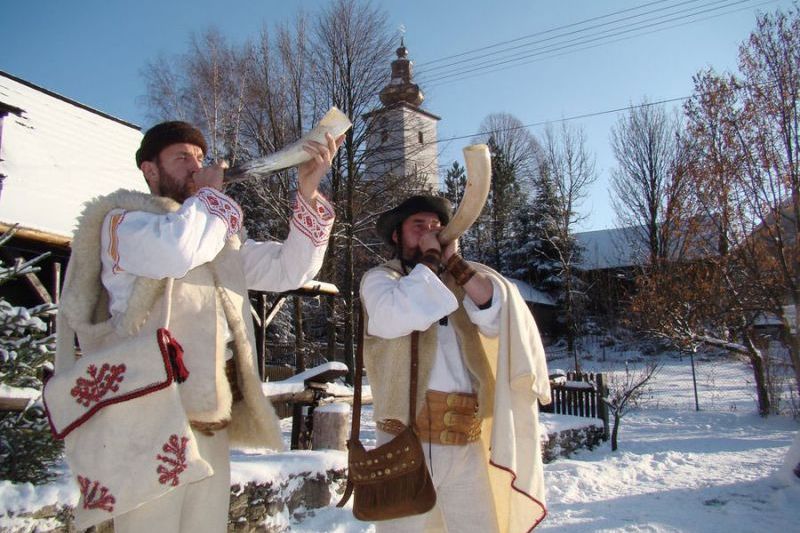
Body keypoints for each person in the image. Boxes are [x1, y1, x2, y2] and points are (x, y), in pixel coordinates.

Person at [53, 120, 343, 532]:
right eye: (181, 157)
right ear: (149, 170)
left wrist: (308, 193)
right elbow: (178, 249)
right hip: (143, 421)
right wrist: (210, 195)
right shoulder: (123, 223)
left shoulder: (213, 232)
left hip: (209, 422)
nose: (195, 166)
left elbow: (287, 270)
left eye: (200, 158)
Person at [360, 194, 552, 532]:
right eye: (418, 226)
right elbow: (394, 315)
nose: (430, 232)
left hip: (466, 441)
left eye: (436, 227)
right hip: (405, 442)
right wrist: (432, 259)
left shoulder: (462, 283)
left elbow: (499, 320)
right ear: (397, 236)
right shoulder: (380, 280)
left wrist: (456, 264)